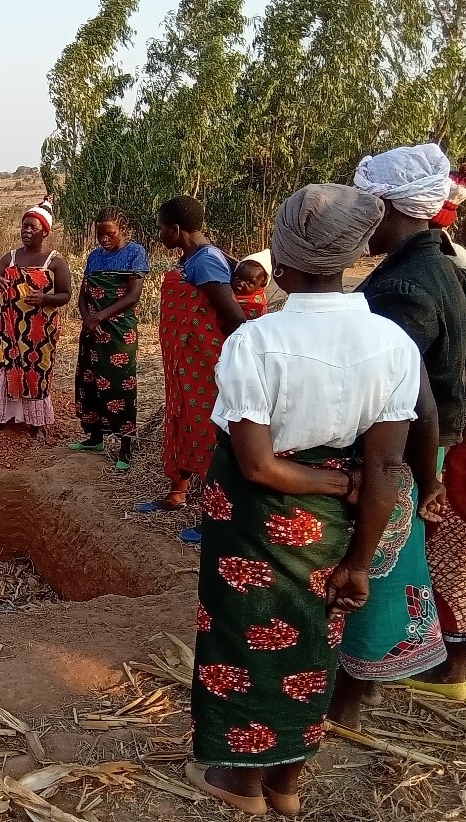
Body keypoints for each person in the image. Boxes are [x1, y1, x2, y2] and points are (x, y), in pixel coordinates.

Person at [186, 184, 419, 816]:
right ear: (346, 261)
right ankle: (287, 783)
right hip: (334, 530)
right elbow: (387, 465)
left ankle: (240, 782)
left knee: (243, 641)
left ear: (281, 267)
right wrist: (360, 561)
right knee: (314, 644)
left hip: (255, 527)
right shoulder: (392, 344)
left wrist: (326, 482)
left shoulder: (253, 345)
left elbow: (258, 465)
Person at [330, 144, 466, 713]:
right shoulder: (437, 264)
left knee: (378, 556)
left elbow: (400, 391)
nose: (363, 221)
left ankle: (356, 689)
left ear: (390, 208)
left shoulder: (401, 290)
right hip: (429, 444)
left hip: (405, 446)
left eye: (368, 208)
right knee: (406, 553)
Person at [133, 196, 248, 544]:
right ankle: (177, 493)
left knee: (208, 433)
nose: (159, 235)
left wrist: (233, 361)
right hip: (184, 367)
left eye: (161, 229)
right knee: (183, 422)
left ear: (176, 230)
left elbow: (234, 318)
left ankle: (216, 517)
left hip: (205, 366)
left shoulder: (208, 263)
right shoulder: (191, 259)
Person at [0, 198, 72, 444]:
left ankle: (36, 423)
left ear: (45, 232)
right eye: (24, 227)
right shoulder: (9, 257)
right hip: (7, 327)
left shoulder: (55, 261)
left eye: (34, 227)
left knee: (36, 372)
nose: (27, 231)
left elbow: (66, 295)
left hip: (39, 331)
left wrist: (44, 298)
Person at [70, 206, 149, 469]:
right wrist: (87, 318)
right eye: (99, 234)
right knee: (89, 381)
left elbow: (132, 296)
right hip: (92, 329)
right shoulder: (93, 257)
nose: (104, 239)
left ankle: (125, 447)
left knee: (119, 385)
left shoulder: (135, 253)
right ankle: (94, 438)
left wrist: (98, 317)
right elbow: (84, 293)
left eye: (110, 234)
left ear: (122, 230)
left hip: (117, 332)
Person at [231, 250, 271, 319]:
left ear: (262, 284)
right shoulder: (225, 291)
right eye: (238, 277)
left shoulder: (258, 305)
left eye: (249, 282)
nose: (241, 283)